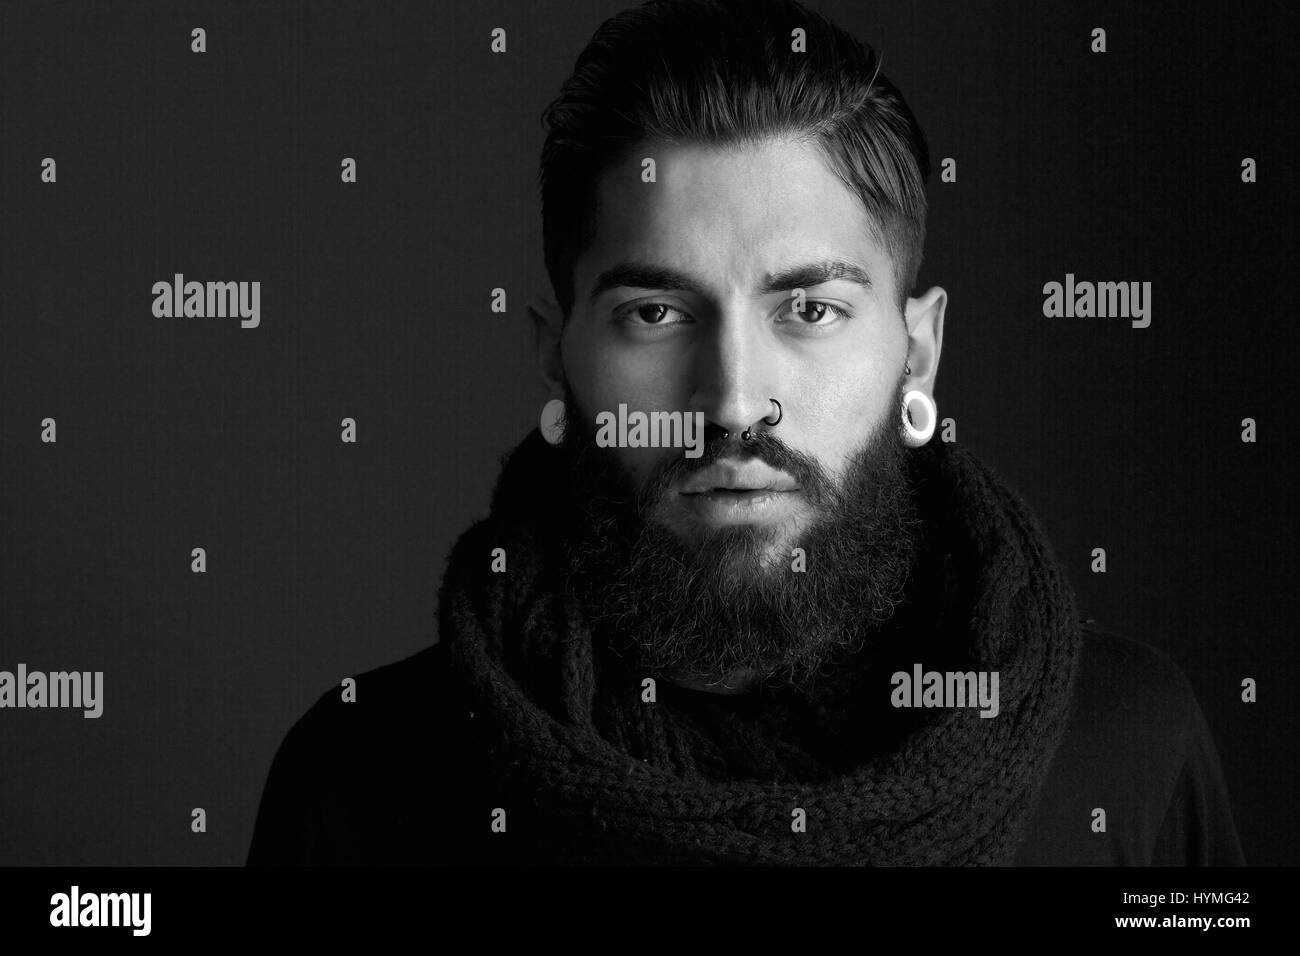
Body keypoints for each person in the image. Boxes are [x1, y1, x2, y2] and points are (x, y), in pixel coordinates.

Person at [248, 0, 1244, 866]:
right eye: (655, 313)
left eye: (808, 309)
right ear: (558, 354)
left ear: (918, 350)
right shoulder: (360, 779)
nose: (731, 400)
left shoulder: (1126, 743)